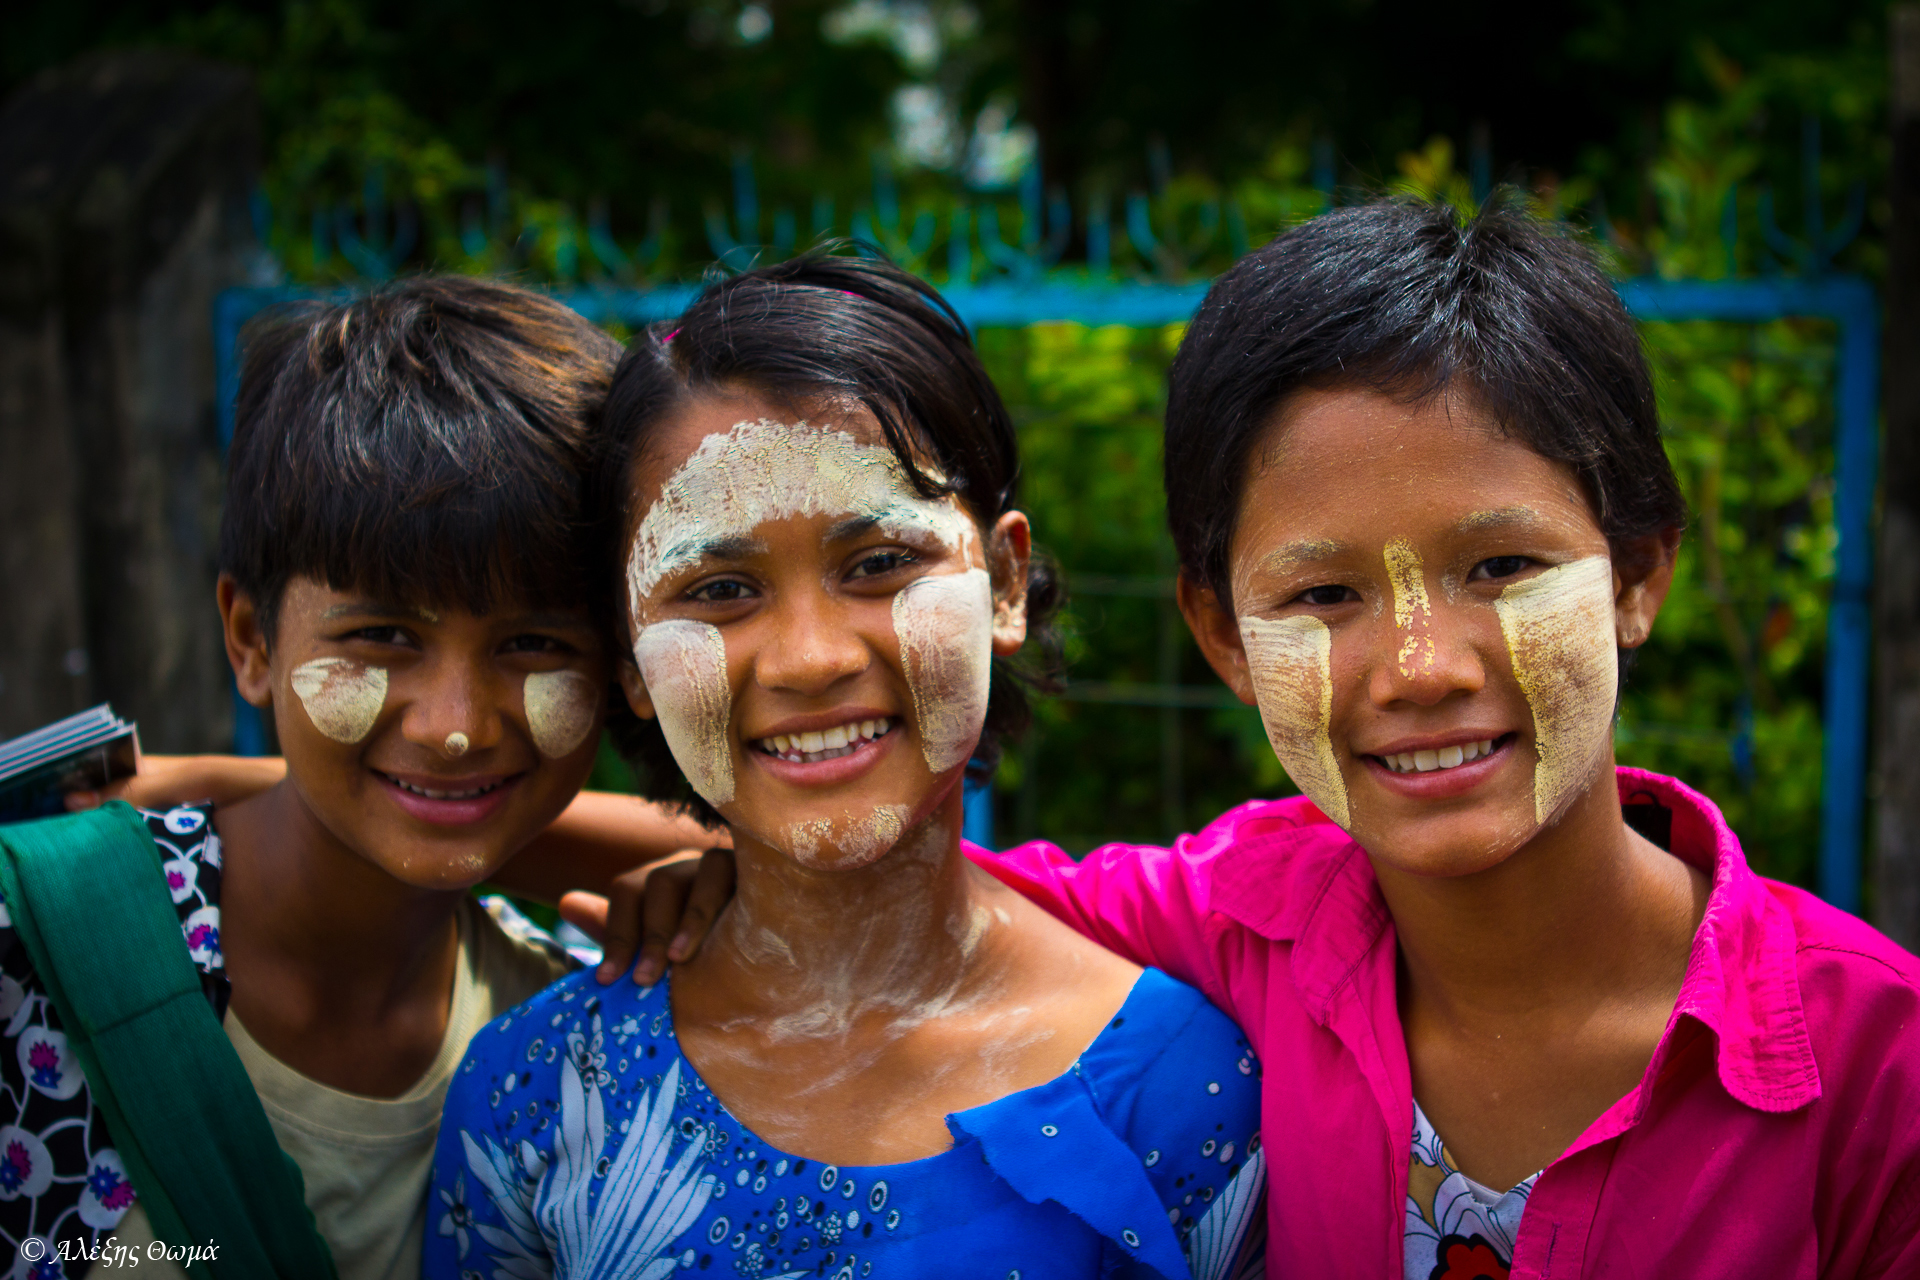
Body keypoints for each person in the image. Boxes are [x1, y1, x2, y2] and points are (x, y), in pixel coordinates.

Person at [627, 199, 1920, 1278]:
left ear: (1637, 573)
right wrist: (696, 874)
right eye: (1323, 595)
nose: (1421, 668)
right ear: (1223, 637)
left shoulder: (1878, 1066)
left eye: (1504, 565)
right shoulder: (1245, 921)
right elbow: (926, 892)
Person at [423, 253, 1267, 1280]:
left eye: (877, 565)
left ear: (1002, 581)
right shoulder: (541, 1093)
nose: (811, 657)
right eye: (722, 587)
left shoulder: (1186, 1089)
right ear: (629, 655)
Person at [2, 276, 711, 1278]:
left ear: (617, 672)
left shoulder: (575, 1037)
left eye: (532, 641)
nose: (456, 726)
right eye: (383, 635)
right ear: (251, 639)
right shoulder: (38, 941)